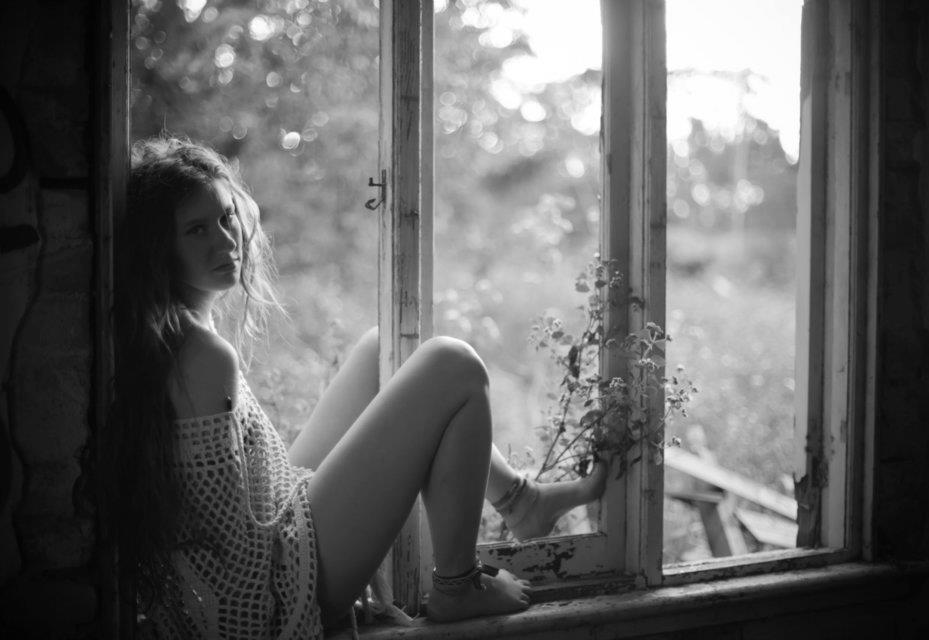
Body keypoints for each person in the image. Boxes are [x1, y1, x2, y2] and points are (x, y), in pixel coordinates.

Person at [113, 137, 607, 638]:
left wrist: (329, 503)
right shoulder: (202, 357)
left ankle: (520, 501)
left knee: (383, 347)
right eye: (196, 231)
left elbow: (231, 514)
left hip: (273, 526)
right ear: (159, 249)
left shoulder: (173, 328)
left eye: (226, 217)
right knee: (452, 363)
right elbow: (232, 554)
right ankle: (457, 586)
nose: (225, 241)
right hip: (276, 589)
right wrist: (334, 527)